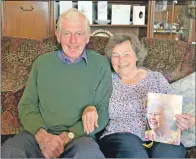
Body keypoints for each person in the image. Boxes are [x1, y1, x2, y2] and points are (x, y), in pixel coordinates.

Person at [1, 8, 112, 158]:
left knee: (89, 155)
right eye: (67, 33)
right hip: (38, 136)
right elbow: (27, 105)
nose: (73, 40)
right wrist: (42, 137)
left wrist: (68, 136)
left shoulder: (100, 64)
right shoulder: (42, 63)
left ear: (87, 37)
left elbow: (103, 111)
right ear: (58, 36)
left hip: (79, 139)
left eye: (78, 34)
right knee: (10, 151)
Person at [90, 33, 195, 158]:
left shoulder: (156, 78)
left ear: (136, 56)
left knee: (169, 152)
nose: (121, 60)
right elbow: (92, 104)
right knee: (133, 151)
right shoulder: (106, 80)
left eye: (126, 54)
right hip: (120, 136)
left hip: (158, 137)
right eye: (115, 55)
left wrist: (186, 121)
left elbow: (174, 112)